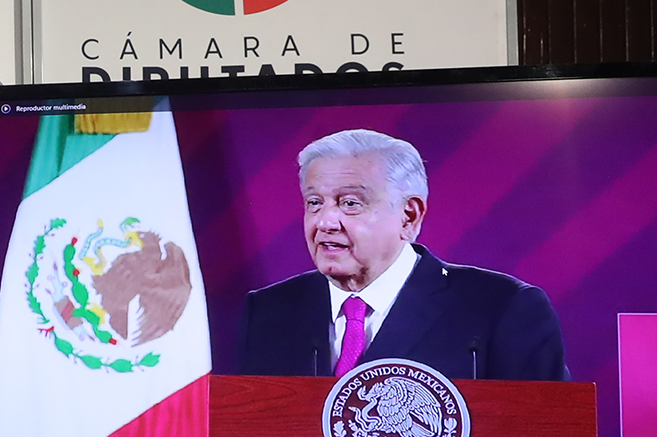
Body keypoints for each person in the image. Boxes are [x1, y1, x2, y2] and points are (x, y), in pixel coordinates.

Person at [239, 128, 566, 381]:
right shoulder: (270, 311)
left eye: (350, 203)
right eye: (314, 203)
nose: (324, 222)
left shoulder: (503, 308)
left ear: (409, 216)